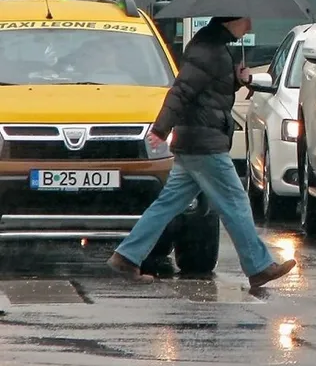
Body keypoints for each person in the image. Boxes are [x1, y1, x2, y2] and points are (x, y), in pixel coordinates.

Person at [107, 16, 296, 288]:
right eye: (247, 21)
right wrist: (160, 129)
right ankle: (258, 266)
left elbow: (207, 91)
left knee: (167, 205)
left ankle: (126, 257)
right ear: (231, 20)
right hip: (203, 142)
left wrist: (238, 80)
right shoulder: (209, 51)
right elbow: (181, 91)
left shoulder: (213, 47)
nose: (250, 27)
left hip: (196, 140)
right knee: (236, 203)